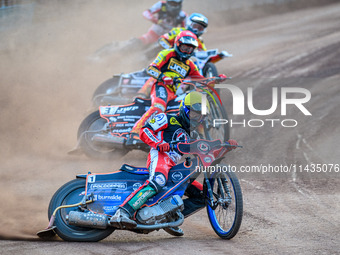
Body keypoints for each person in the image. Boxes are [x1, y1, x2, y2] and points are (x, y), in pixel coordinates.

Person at [110, 91, 239, 236]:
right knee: (158, 180)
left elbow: (206, 152)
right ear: (185, 109)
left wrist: (224, 147)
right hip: (160, 156)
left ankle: (170, 218)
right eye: (195, 114)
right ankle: (123, 212)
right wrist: (159, 143)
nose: (198, 118)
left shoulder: (193, 134)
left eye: (201, 115)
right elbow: (144, 131)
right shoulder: (166, 118)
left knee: (204, 196)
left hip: (173, 165)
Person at [126, 30, 205, 145]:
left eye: (189, 49)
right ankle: (135, 133)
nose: (186, 51)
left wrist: (216, 79)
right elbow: (151, 68)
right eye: (184, 48)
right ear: (177, 44)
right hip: (161, 86)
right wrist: (163, 77)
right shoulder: (167, 53)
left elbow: (200, 78)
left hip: (174, 93)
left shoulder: (190, 64)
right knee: (159, 106)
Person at [137, 13, 208, 98]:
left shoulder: (199, 41)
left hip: (183, 63)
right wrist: (173, 50)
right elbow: (162, 39)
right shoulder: (178, 31)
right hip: (166, 58)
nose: (196, 30)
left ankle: (178, 95)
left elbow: (205, 54)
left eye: (200, 28)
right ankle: (141, 95)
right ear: (189, 23)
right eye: (195, 26)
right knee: (156, 72)